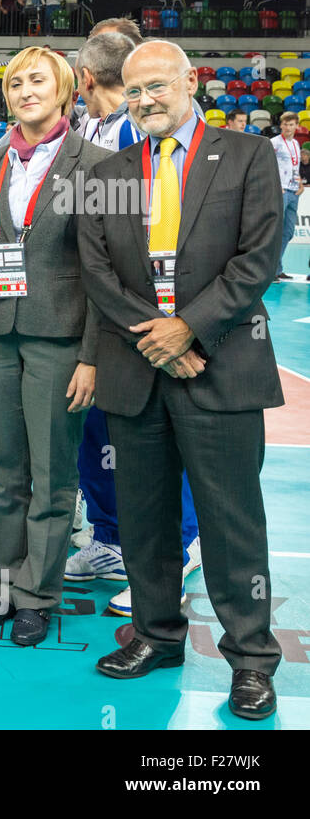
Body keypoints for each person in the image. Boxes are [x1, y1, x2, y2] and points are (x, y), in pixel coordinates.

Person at [78, 40, 284, 721]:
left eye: (158, 87)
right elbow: (98, 271)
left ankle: (251, 661)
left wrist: (188, 327)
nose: (145, 102)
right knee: (144, 518)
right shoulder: (111, 169)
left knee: (232, 524)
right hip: (138, 368)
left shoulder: (248, 156)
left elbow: (258, 259)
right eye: (134, 92)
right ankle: (158, 634)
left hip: (221, 366)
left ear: (190, 81)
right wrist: (160, 339)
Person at [0, 46, 107, 646]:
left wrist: (92, 354)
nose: (24, 90)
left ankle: (39, 594)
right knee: (3, 472)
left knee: (52, 473)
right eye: (14, 83)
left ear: (65, 91)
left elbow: (103, 273)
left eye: (37, 80)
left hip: (59, 339)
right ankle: (5, 587)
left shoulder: (97, 164)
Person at [67, 29, 202, 617]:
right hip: (99, 311)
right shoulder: (89, 132)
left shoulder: (134, 133)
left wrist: (156, 323)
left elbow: (139, 245)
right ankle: (107, 538)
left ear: (84, 79)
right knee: (100, 432)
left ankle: (182, 543)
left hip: (144, 317)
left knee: (158, 436)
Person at [273, 111, 303, 279]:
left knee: (288, 232)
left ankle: (277, 268)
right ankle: (271, 270)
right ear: (281, 125)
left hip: (293, 192)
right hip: (281, 191)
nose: (288, 127)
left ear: (296, 126)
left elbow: (295, 166)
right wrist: (275, 185)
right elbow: (265, 162)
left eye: (292, 124)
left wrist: (300, 185)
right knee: (276, 231)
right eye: (286, 124)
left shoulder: (297, 144)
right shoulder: (275, 142)